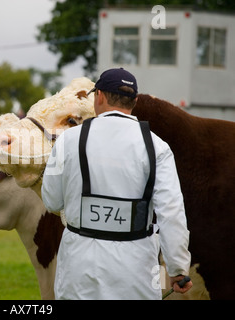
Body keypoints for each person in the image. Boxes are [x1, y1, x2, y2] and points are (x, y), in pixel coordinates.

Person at [41, 68, 193, 300]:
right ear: (133, 101)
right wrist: (178, 269)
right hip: (137, 268)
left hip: (80, 267)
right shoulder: (157, 147)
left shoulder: (66, 141)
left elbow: (51, 201)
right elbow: (171, 213)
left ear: (99, 96)